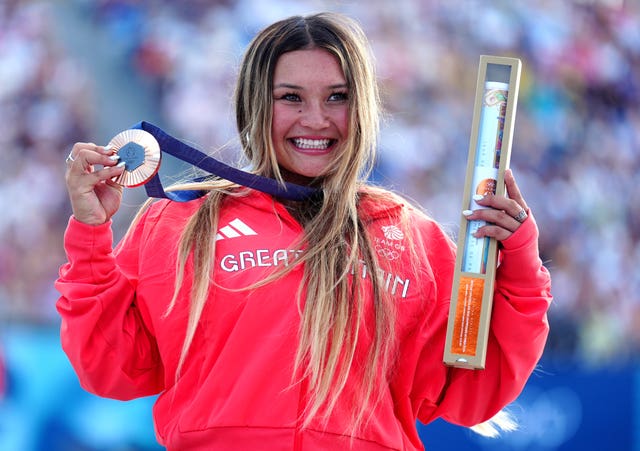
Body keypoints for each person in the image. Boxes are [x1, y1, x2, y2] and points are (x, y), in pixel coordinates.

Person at [55, 12, 552, 451]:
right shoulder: (182, 222)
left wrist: (520, 266)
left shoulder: (413, 240)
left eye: (337, 97)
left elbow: (470, 394)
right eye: (290, 97)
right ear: (254, 105)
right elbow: (113, 368)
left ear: (361, 110)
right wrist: (92, 236)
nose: (316, 119)